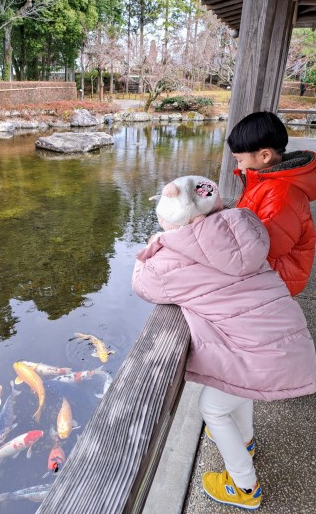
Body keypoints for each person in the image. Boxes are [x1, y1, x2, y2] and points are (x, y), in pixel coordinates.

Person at [131, 175, 316, 510]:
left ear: (180, 224)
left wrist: (155, 244)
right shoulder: (245, 231)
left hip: (264, 357)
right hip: (292, 345)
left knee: (212, 408)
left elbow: (144, 284)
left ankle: (244, 487)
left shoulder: (173, 259)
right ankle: (244, 441)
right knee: (236, 387)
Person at [227, 111, 316, 296]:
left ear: (265, 156)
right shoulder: (265, 181)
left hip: (279, 275)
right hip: (268, 263)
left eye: (240, 160)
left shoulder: (281, 195)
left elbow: (263, 249)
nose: (239, 167)